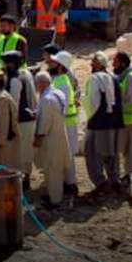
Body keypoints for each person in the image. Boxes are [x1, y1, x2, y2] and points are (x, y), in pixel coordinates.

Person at [83, 52, 122, 196]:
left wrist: (86, 111)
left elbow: (93, 102)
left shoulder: (95, 79)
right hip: (114, 123)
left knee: (92, 153)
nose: (91, 65)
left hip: (97, 123)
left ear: (100, 63)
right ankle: (114, 181)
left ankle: (101, 183)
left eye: (94, 62)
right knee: (111, 153)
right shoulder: (115, 78)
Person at [33, 71, 70, 208]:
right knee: (54, 167)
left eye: (38, 84)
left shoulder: (47, 98)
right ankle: (53, 195)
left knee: (53, 168)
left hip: (51, 137)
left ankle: (55, 200)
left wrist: (38, 136)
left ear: (42, 83)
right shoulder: (58, 93)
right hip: (60, 133)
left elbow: (45, 122)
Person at [2, 49, 38, 188]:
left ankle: (24, 180)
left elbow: (14, 104)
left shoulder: (15, 80)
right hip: (25, 120)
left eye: (7, 64)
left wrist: (11, 124)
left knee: (22, 152)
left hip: (22, 121)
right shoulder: (21, 76)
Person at [48, 50, 80, 199]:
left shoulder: (62, 83)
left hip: (66, 121)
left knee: (67, 154)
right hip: (66, 121)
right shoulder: (60, 79)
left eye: (54, 62)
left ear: (60, 66)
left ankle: (71, 184)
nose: (50, 63)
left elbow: (62, 106)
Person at [0, 66, 21, 170]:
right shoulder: (0, 95)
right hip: (4, 141)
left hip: (5, 142)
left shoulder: (2, 98)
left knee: (5, 169)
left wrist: (0, 141)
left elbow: (3, 122)